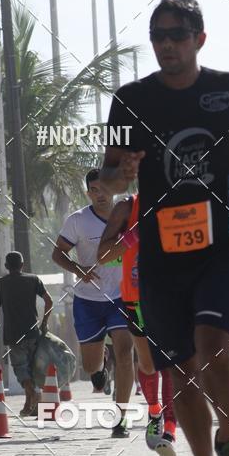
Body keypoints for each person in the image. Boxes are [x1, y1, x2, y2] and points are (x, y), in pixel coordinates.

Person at [100, 0, 229, 456]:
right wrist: (120, 175)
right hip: (160, 254)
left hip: (221, 244)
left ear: (199, 39)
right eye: (157, 36)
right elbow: (108, 174)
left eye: (176, 35)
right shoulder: (130, 99)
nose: (166, 45)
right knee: (179, 370)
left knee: (214, 345)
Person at [51, 169, 134, 438]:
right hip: (88, 300)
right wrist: (77, 269)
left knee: (125, 354)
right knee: (89, 367)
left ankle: (120, 417)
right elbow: (57, 253)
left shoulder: (128, 216)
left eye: (105, 189)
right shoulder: (77, 221)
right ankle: (101, 367)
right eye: (94, 191)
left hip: (121, 297)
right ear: (89, 193)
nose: (101, 195)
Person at [97, 192, 177, 456]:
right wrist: (134, 235)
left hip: (171, 297)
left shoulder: (181, 199)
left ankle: (170, 431)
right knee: (147, 365)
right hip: (136, 299)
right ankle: (154, 410)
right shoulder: (126, 208)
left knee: (170, 365)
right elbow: (103, 255)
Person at [0, 251, 53, 416]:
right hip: (33, 333)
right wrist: (44, 323)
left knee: (21, 369)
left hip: (14, 335)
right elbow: (49, 300)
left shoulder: (1, 283)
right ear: (22, 265)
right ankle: (32, 403)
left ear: (6, 267)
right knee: (33, 368)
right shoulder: (33, 279)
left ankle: (32, 398)